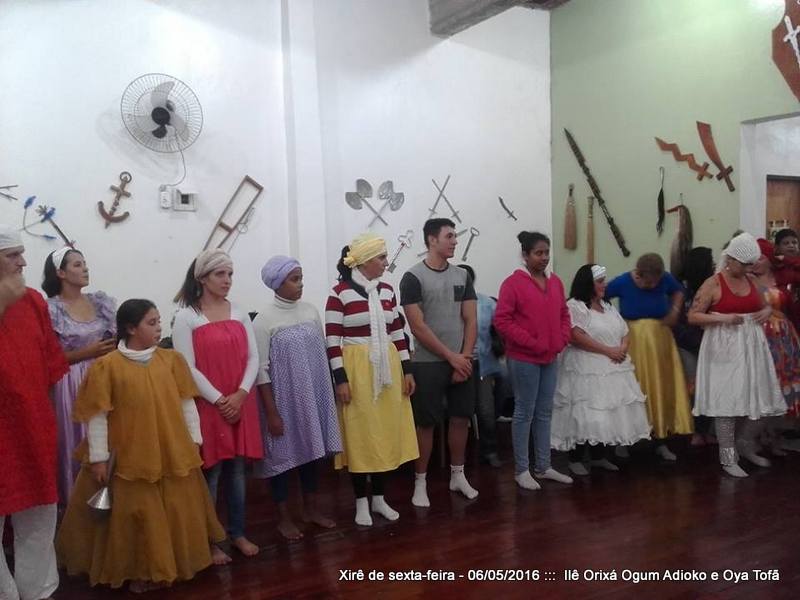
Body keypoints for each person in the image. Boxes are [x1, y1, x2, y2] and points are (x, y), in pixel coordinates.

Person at [56, 299, 225, 592]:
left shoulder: (172, 361)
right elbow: (97, 416)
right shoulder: (107, 367)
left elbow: (187, 403)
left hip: (171, 451)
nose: (159, 328)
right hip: (128, 457)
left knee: (178, 507)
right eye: (151, 322)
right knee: (134, 514)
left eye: (159, 322)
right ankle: (138, 569)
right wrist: (99, 458)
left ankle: (177, 561)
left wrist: (194, 440)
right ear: (131, 328)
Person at [173, 249, 263, 561]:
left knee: (237, 470)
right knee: (211, 472)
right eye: (220, 274)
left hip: (240, 401)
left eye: (230, 274)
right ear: (202, 278)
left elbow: (253, 358)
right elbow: (187, 367)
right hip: (210, 406)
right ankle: (209, 540)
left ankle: (237, 533)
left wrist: (241, 394)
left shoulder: (239, 312)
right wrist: (220, 400)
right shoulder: (186, 317)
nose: (227, 280)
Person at [327, 234, 418, 525]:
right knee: (361, 434)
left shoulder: (387, 291)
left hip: (387, 369)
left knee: (384, 432)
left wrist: (407, 370)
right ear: (365, 261)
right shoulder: (339, 294)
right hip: (357, 370)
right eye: (381, 257)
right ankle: (361, 502)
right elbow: (332, 340)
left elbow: (397, 333)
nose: (386, 262)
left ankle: (379, 497)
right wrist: (341, 379)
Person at [0, 225, 69, 600]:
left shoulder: (33, 302)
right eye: (13, 255)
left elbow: (49, 368)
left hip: (31, 427)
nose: (23, 262)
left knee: (40, 518)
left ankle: (39, 592)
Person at [253, 256, 341, 539]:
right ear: (277, 283)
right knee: (281, 458)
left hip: (312, 397)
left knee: (312, 452)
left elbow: (320, 355)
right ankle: (283, 517)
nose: (300, 284)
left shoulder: (311, 311)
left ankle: (310, 509)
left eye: (301, 278)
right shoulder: (264, 320)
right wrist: (272, 413)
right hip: (282, 402)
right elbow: (260, 369)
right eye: (294, 279)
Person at [689, 233, 786, 477]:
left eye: (750, 265)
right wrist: (722, 318)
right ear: (730, 259)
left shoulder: (751, 279)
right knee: (727, 403)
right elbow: (693, 316)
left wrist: (766, 311)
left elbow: (765, 304)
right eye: (743, 264)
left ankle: (744, 443)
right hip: (723, 346)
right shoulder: (713, 283)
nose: (747, 269)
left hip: (752, 346)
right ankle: (728, 457)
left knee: (761, 399)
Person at [399, 219, 478, 507]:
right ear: (432, 240)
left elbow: (470, 319)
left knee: (460, 418)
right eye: (449, 236)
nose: (455, 241)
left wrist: (464, 357)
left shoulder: (462, 275)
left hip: (461, 360)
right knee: (426, 423)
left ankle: (458, 476)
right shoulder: (413, 277)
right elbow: (418, 327)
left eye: (455, 236)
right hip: (428, 363)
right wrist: (451, 356)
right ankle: (420, 482)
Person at [552, 264, 651, 475]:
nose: (604, 284)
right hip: (586, 367)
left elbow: (624, 330)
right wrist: (608, 350)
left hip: (612, 367)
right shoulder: (576, 306)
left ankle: (599, 456)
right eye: (599, 281)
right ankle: (576, 458)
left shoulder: (607, 306)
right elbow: (576, 336)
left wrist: (622, 348)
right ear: (588, 283)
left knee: (608, 412)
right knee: (586, 412)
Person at [494, 232, 573, 490]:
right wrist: (532, 342)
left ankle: (543, 466)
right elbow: (502, 321)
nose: (544, 257)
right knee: (524, 412)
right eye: (538, 253)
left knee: (545, 411)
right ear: (525, 255)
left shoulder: (555, 282)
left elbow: (564, 314)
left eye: (546, 252)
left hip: (550, 357)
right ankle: (521, 470)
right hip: (524, 359)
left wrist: (561, 339)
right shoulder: (512, 284)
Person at [42, 246, 117, 503]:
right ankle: (74, 504)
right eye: (77, 264)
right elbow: (47, 358)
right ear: (60, 273)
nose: (85, 268)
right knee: (76, 439)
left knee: (106, 436)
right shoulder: (52, 310)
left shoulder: (100, 302)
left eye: (84, 263)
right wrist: (87, 352)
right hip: (70, 383)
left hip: (104, 377)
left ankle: (107, 500)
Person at [606, 253, 693, 460]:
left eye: (656, 281)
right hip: (634, 341)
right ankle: (625, 441)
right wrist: (612, 322)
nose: (653, 285)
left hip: (660, 341)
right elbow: (601, 294)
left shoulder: (665, 279)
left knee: (660, 388)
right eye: (648, 282)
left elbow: (679, 291)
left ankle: (660, 439)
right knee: (633, 388)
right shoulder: (623, 281)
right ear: (638, 274)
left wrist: (674, 310)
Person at [458, 264, 503, 468]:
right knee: (459, 411)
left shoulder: (486, 303)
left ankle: (489, 451)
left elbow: (501, 327)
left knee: (486, 410)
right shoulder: (447, 304)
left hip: (482, 364)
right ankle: (458, 458)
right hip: (455, 363)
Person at [672, 247, 716, 447]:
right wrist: (693, 340)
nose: (714, 265)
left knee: (710, 387)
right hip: (687, 345)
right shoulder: (681, 289)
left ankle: (705, 429)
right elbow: (677, 322)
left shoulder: (712, 286)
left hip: (709, 344)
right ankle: (693, 430)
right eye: (710, 262)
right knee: (694, 387)